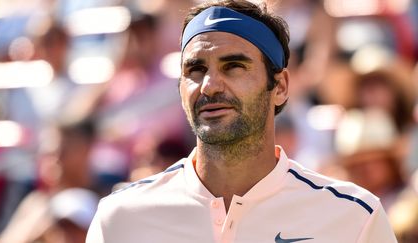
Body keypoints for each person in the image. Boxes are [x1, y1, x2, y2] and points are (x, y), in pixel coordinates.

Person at [86, 1, 397, 242]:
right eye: (195, 70)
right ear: (180, 90)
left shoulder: (353, 217)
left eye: (234, 66)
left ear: (281, 87)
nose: (209, 85)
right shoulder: (120, 216)